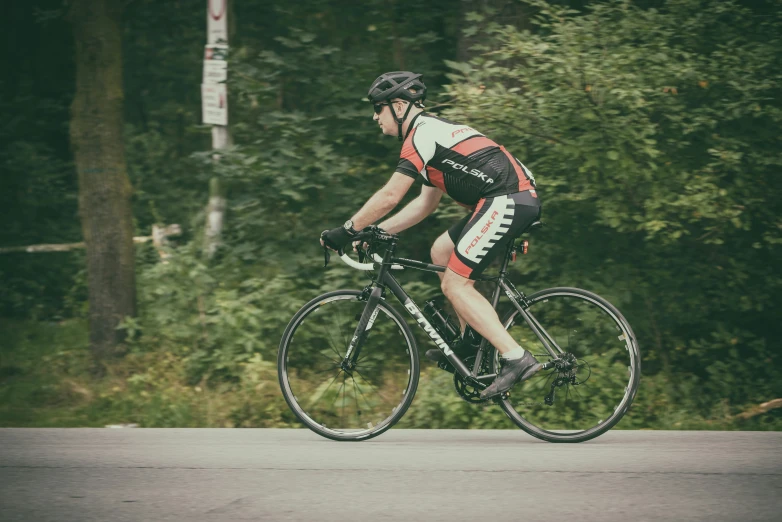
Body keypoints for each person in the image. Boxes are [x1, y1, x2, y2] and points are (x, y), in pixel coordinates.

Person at [320, 71, 542, 399]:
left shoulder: (422, 135)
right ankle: (472, 347)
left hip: (508, 197)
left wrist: (346, 231)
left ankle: (516, 358)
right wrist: (374, 231)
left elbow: (390, 196)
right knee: (441, 251)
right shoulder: (432, 137)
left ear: (398, 106)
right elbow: (423, 206)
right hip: (506, 198)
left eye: (378, 108)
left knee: (455, 283)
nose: (374, 116)